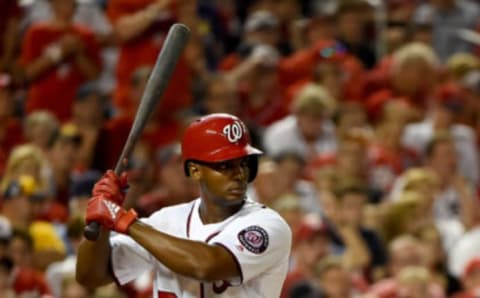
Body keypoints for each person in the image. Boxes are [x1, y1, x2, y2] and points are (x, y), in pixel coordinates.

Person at [76, 113, 292, 297]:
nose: (239, 174)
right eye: (225, 165)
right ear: (195, 170)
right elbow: (90, 276)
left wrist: (124, 220)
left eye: (244, 163)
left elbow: (206, 266)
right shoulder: (166, 221)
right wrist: (101, 223)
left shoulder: (267, 225)